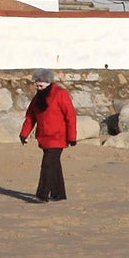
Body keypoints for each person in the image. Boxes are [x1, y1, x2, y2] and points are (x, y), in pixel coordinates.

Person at [19, 69, 77, 202]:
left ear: (49, 84)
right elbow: (30, 117)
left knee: (47, 165)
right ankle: (58, 194)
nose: (38, 88)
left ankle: (42, 195)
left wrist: (72, 137)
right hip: (44, 136)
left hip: (58, 137)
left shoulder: (61, 94)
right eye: (37, 85)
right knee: (54, 165)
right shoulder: (37, 98)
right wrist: (24, 134)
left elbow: (70, 116)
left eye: (41, 86)